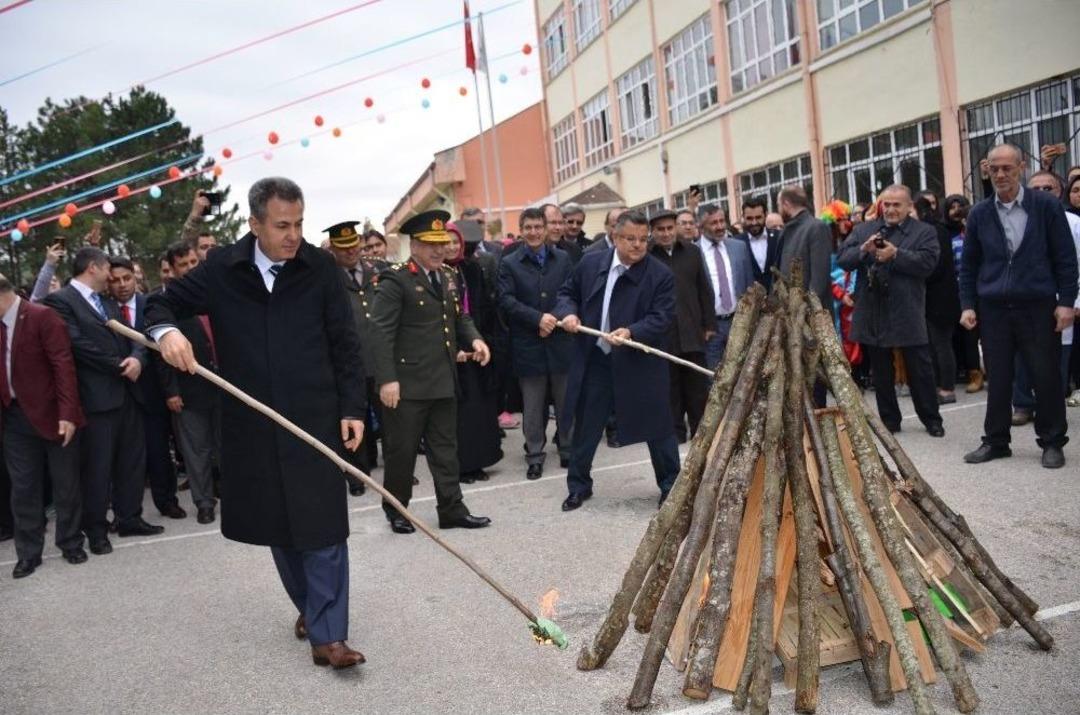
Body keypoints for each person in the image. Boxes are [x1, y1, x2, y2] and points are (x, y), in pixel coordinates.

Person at [150, 177, 368, 668]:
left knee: (324, 525)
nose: (294, 236)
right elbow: (160, 303)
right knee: (280, 526)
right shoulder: (222, 269)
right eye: (282, 226)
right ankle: (311, 608)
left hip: (313, 419)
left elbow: (346, 344)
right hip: (253, 425)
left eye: (299, 224)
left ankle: (330, 637)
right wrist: (167, 334)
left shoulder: (320, 268)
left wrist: (353, 408)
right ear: (254, 224)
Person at [369, 209, 492, 535]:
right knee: (402, 452)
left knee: (446, 451)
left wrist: (475, 339)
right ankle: (396, 509)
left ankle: (452, 509)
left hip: (442, 380)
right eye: (431, 244)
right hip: (406, 386)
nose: (440, 250)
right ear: (414, 245)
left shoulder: (449, 275)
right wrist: (387, 379)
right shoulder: (396, 279)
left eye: (442, 243)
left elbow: (459, 317)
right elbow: (380, 332)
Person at [959, 145, 1078, 469]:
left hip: (1038, 305)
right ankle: (996, 441)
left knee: (1045, 375)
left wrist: (1066, 302)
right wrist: (968, 304)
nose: (1000, 174)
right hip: (994, 308)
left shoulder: (1045, 206)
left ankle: (1052, 442)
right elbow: (969, 265)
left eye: (1007, 168)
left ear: (1021, 168)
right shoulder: (980, 214)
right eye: (994, 169)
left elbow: (1065, 258)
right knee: (998, 378)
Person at [554, 211, 679, 511]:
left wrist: (632, 331)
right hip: (597, 358)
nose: (637, 245)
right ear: (614, 237)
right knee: (587, 426)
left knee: (658, 426)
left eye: (643, 239)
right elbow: (567, 293)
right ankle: (578, 486)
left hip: (640, 361)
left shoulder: (660, 274)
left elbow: (662, 316)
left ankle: (671, 487)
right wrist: (568, 313)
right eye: (630, 239)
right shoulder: (591, 263)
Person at [44, 247, 163, 556]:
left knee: (131, 462)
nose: (111, 275)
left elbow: (135, 335)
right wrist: (118, 365)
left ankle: (129, 518)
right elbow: (76, 343)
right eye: (108, 268)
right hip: (95, 399)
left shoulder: (107, 301)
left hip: (128, 395)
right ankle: (96, 530)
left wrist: (137, 358)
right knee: (98, 468)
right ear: (93, 268)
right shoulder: (62, 301)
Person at [838, 185, 944, 437]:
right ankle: (890, 420)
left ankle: (931, 418)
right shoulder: (864, 229)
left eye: (897, 205)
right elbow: (843, 259)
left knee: (920, 368)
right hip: (873, 309)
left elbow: (928, 264)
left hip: (907, 308)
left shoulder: (924, 232)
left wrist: (896, 254)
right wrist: (863, 250)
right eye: (887, 204)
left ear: (909, 206)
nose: (891, 209)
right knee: (881, 371)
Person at [0, 273, 85, 578]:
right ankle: (28, 553)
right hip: (14, 418)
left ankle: (71, 542)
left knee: (66, 483)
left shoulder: (42, 316)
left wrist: (68, 413)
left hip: (53, 414)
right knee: (23, 488)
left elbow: (63, 366)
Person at [497, 207, 575, 480]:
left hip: (561, 341)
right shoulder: (509, 262)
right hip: (528, 344)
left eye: (538, 227)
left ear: (546, 228)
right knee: (532, 405)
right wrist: (537, 319)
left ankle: (567, 448)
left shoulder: (562, 258)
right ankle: (534, 455)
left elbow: (569, 292)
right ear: (521, 231)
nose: (533, 232)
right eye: (528, 227)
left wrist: (555, 317)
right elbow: (506, 300)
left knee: (565, 401)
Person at [109, 256, 185, 520]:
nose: (122, 285)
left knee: (159, 452)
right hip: (120, 395)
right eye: (115, 280)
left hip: (152, 392)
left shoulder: (151, 304)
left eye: (126, 278)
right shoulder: (104, 309)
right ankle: (125, 512)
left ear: (135, 277)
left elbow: (163, 354)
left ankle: (167, 501)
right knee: (124, 458)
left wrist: (171, 391)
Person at [155, 242, 221, 524]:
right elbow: (159, 352)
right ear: (172, 270)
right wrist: (171, 390)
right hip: (189, 391)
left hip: (225, 387)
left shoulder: (217, 292)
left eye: (194, 262)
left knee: (228, 447)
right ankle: (204, 502)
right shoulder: (168, 304)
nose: (191, 268)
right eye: (184, 265)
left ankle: (235, 495)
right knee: (196, 451)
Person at [1010, 171, 1080, 425]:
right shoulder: (1014, 219)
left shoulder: (1073, 222)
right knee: (1021, 356)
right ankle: (1022, 404)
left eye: (1047, 188)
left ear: (1060, 192)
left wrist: (1074, 302)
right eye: (1035, 189)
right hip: (1022, 300)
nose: (1041, 193)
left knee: (1055, 358)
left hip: (1061, 301)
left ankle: (1049, 408)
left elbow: (1076, 263)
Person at [325, 221, 383, 495]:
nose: (350, 252)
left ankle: (397, 469)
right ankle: (357, 476)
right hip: (348, 362)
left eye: (353, 245)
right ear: (333, 249)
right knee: (351, 418)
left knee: (389, 419)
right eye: (343, 247)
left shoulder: (376, 271)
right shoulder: (328, 279)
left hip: (377, 358)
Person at [444, 222, 504, 483]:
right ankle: (462, 466)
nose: (451, 247)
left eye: (455, 242)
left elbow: (484, 307)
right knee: (461, 412)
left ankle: (480, 461)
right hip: (451, 351)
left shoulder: (471, 268)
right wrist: (454, 346)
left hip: (479, 345)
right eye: (446, 242)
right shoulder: (437, 273)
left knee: (481, 407)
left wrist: (484, 341)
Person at [648, 210, 714, 442]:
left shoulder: (692, 252)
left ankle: (700, 434)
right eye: (660, 229)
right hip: (663, 335)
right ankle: (675, 434)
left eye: (669, 228)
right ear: (652, 232)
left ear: (676, 228)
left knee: (697, 389)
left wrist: (709, 324)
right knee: (670, 390)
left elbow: (704, 289)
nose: (666, 233)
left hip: (692, 332)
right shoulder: (647, 257)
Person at [694, 203, 754, 368]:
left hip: (738, 322)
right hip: (710, 328)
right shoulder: (693, 252)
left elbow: (749, 285)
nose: (720, 226)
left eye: (722, 221)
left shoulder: (738, 247)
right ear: (701, 226)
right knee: (713, 375)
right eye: (714, 223)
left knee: (741, 371)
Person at [917, 194, 962, 406]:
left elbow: (935, 265)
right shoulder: (934, 230)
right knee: (933, 345)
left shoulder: (934, 231)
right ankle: (938, 386)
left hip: (940, 297)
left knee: (941, 344)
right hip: (933, 297)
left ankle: (947, 388)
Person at [777, 185, 834, 312]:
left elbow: (819, 279)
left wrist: (806, 310)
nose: (779, 210)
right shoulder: (786, 231)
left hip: (810, 315)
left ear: (786, 204)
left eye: (779, 205)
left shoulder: (817, 228)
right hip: (790, 313)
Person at [733, 195, 782, 291]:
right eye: (749, 218)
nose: (754, 222)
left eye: (758, 217)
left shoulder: (779, 237)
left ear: (766, 215)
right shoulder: (736, 243)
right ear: (743, 218)